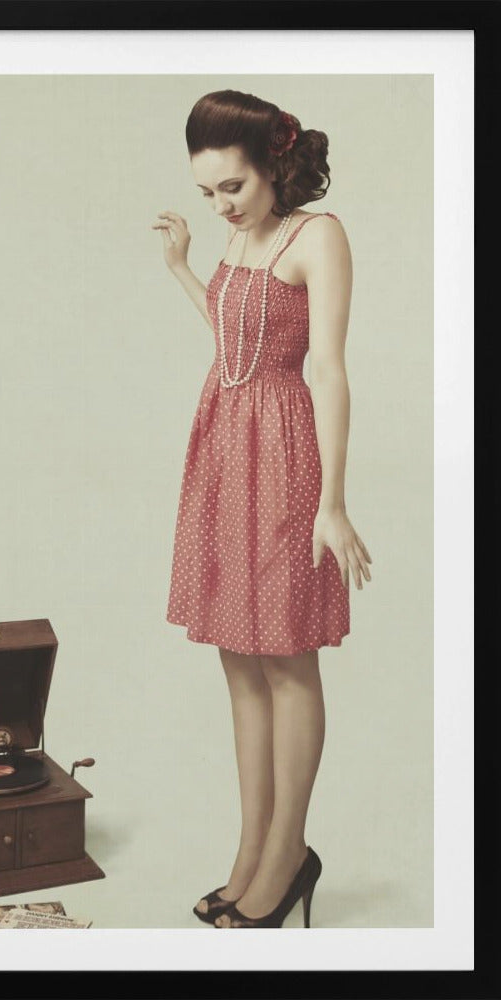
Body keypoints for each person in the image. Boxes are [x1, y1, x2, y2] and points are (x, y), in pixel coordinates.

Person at [151, 90, 372, 929]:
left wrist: (332, 503)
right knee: (238, 658)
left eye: (232, 187)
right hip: (222, 443)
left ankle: (287, 856)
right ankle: (251, 853)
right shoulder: (241, 234)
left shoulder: (318, 236)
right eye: (207, 191)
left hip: (282, 451)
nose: (220, 205)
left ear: (275, 165)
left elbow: (328, 370)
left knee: (285, 657)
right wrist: (183, 267)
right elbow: (234, 338)